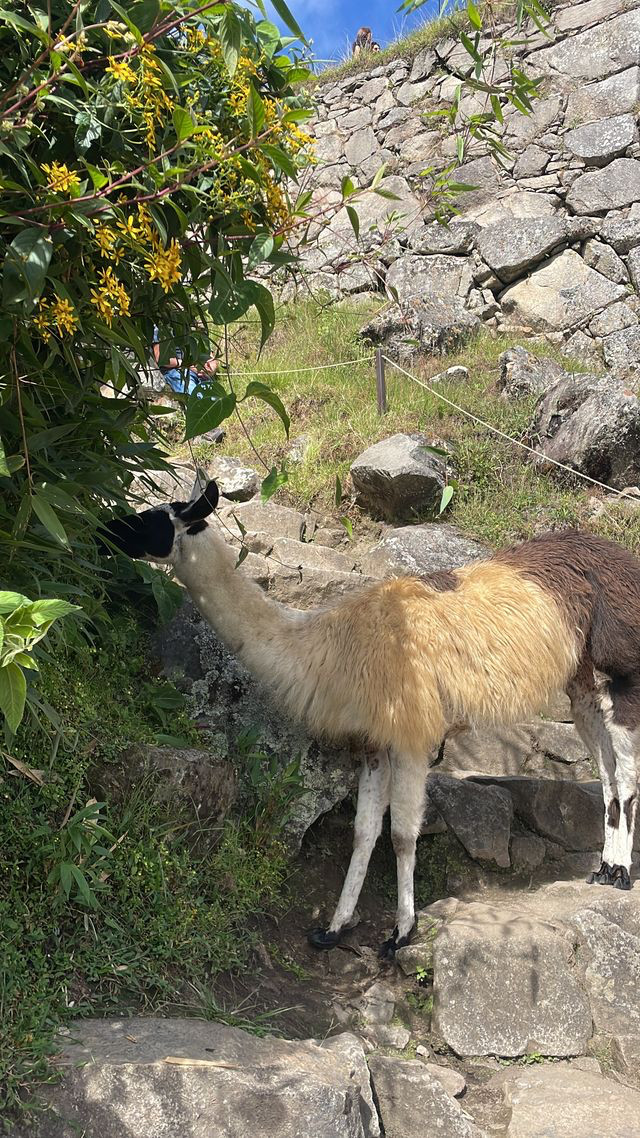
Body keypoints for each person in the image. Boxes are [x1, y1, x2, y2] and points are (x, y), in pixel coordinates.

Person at [152, 325, 219, 396]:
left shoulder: (184, 328)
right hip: (178, 370)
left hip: (197, 372)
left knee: (212, 394)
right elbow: (160, 358)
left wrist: (209, 359)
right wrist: (183, 363)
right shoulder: (163, 328)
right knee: (195, 394)